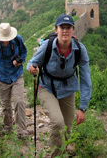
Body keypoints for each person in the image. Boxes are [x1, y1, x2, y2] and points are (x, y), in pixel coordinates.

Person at [27, 14, 92, 157]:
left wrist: (83, 107)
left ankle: (64, 153)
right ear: (56, 30)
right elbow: (31, 63)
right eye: (62, 27)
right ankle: (56, 156)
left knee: (68, 129)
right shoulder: (47, 46)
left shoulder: (80, 50)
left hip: (68, 89)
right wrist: (32, 68)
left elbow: (86, 79)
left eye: (68, 28)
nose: (65, 31)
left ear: (73, 30)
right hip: (47, 87)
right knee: (58, 122)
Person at [0, 23, 28, 139]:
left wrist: (20, 61)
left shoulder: (17, 40)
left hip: (16, 74)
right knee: (5, 105)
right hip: (1, 76)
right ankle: (8, 127)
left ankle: (22, 131)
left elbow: (24, 52)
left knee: (19, 101)